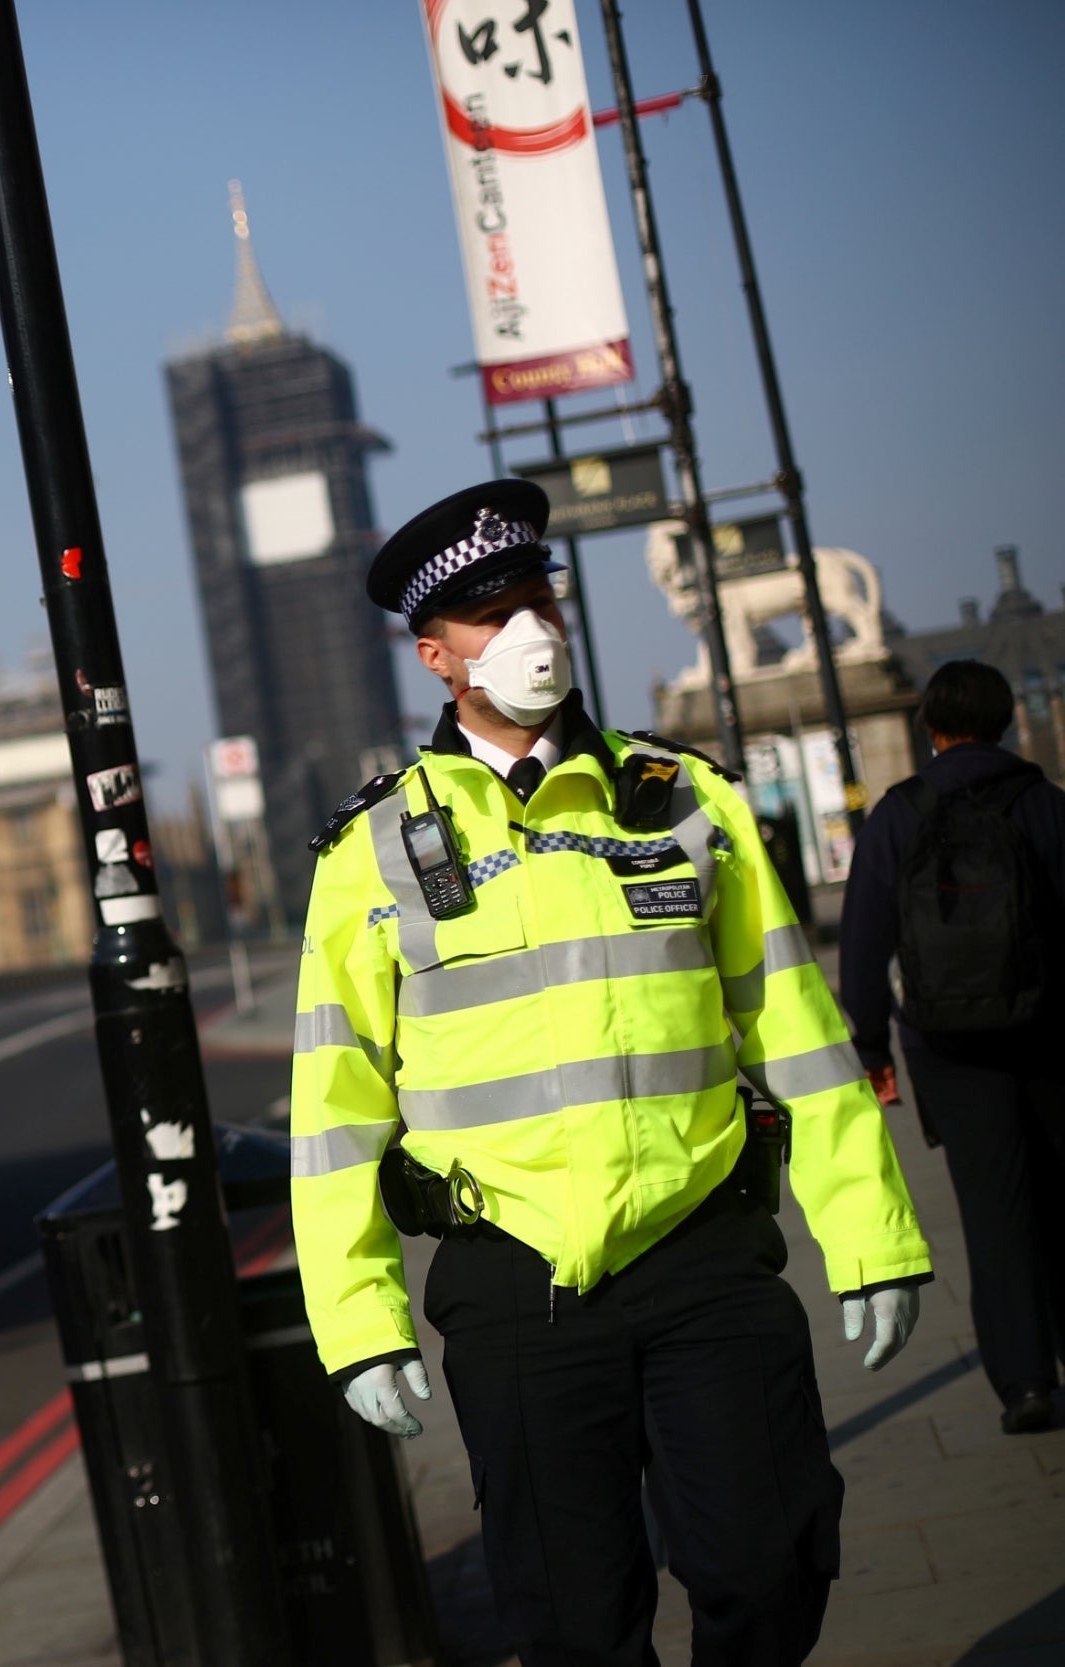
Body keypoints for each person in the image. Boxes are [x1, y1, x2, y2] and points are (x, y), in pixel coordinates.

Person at [289, 480, 934, 1665]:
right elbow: (333, 1111)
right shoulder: (371, 851)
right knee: (571, 1621)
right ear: (435, 654)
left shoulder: (686, 801)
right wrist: (359, 1320)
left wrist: (873, 1234)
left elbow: (795, 1032)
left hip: (703, 1255)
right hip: (513, 1285)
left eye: (539, 597)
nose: (529, 628)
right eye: (491, 614)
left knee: (773, 1561)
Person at [837, 659, 1065, 1436]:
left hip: (947, 1042)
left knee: (993, 1208)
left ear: (929, 726)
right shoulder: (1045, 804)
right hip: (1049, 1032)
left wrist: (873, 1050)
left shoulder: (899, 814)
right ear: (1002, 720)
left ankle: (1026, 1381)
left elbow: (864, 947)